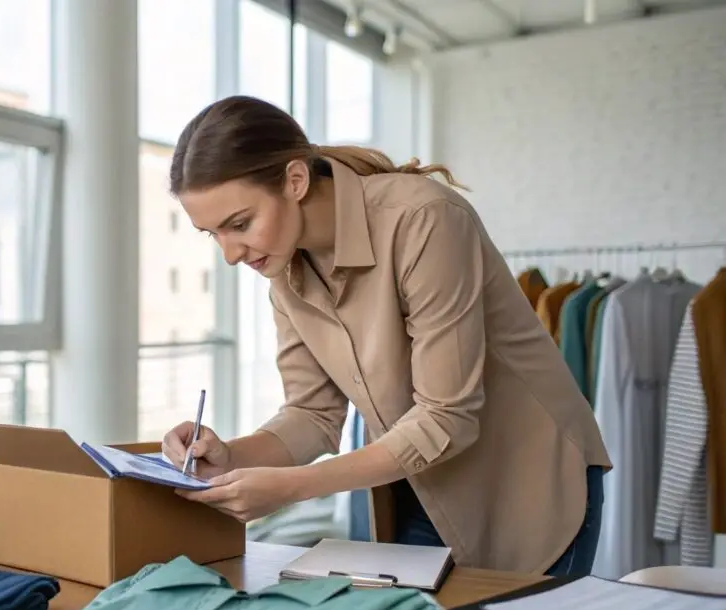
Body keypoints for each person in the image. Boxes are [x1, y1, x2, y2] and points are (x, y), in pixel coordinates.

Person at [160, 95, 612, 577]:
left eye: (240, 224)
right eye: (213, 234)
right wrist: (230, 456)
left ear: (295, 181)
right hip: (420, 486)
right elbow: (312, 414)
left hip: (530, 483)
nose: (230, 254)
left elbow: (446, 416)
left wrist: (292, 486)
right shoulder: (283, 270)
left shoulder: (423, 219)